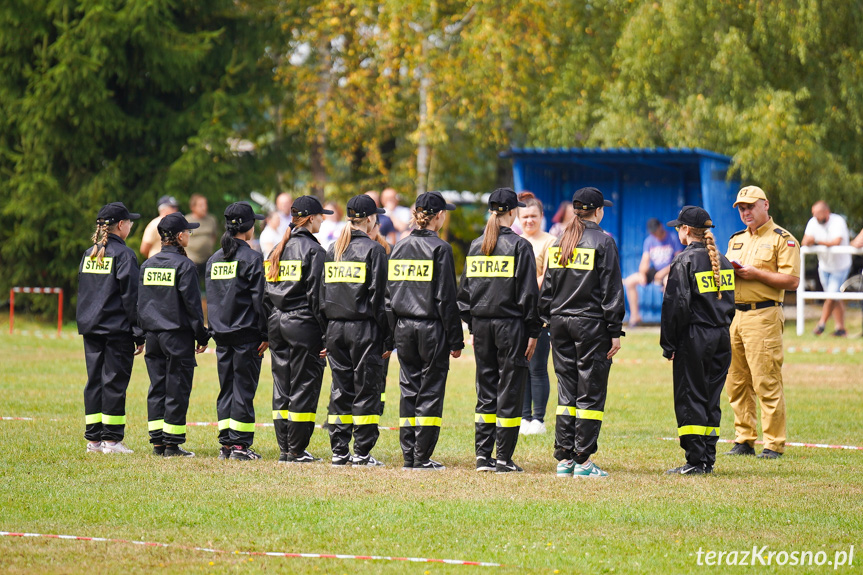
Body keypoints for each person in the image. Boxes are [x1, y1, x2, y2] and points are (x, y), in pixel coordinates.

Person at [539, 187, 624, 478]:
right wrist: (615, 330)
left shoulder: (560, 241)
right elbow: (611, 290)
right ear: (598, 211)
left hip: (559, 324)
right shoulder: (604, 242)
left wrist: (545, 320)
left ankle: (564, 459)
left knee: (567, 391)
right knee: (590, 392)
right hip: (590, 325)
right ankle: (584, 461)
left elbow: (547, 288)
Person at [457, 188, 540, 473]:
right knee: (510, 390)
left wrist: (471, 325)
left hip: (481, 326)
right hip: (510, 326)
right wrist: (533, 330)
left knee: (485, 389)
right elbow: (529, 294)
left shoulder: (476, 244)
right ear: (512, 212)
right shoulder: (520, 246)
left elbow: (464, 295)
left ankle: (483, 457)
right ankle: (503, 458)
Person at [386, 191, 464, 471]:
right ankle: (422, 456)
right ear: (439, 216)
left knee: (408, 390)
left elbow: (389, 295)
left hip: (404, 328)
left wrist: (390, 334)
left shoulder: (398, 247)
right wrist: (456, 340)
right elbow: (446, 298)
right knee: (430, 392)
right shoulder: (441, 249)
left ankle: (409, 454)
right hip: (431, 329)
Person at [724, 186, 800, 459]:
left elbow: (792, 281)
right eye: (741, 208)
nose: (746, 212)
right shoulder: (735, 240)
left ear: (765, 205)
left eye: (750, 206)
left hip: (764, 315)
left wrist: (756, 274)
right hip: (736, 315)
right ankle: (744, 439)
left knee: (766, 380)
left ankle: (773, 444)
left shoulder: (784, 240)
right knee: (737, 382)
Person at [660, 206, 736, 475]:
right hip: (721, 336)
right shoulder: (723, 260)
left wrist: (668, 344)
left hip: (694, 338)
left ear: (686, 230)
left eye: (678, 227)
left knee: (690, 396)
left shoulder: (684, 261)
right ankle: (707, 459)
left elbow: (675, 307)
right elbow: (731, 305)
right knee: (710, 398)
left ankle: (694, 461)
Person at [320, 194, 392, 467]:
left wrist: (326, 332)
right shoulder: (375, 251)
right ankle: (362, 452)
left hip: (336, 328)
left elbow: (321, 296)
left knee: (340, 389)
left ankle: (339, 451)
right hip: (364, 329)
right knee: (366, 389)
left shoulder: (332, 250)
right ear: (371, 220)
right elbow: (380, 300)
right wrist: (387, 337)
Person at [264, 196, 332, 463]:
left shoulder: (276, 250)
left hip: (277, 323)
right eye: (321, 216)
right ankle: (296, 449)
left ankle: (285, 447)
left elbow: (264, 295)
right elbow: (319, 298)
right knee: (304, 384)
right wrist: (326, 334)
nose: (324, 220)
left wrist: (264, 331)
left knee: (282, 385)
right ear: (311, 218)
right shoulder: (315, 251)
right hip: (303, 324)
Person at [138, 212, 210, 457]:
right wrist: (202, 335)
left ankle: (158, 441)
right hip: (177, 336)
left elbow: (141, 304)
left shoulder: (147, 265)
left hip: (153, 337)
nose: (190, 234)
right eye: (188, 231)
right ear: (180, 236)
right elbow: (192, 307)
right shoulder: (185, 266)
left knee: (157, 386)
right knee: (177, 386)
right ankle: (172, 444)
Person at [77, 202, 145, 454]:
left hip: (92, 327)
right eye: (129, 222)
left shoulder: (89, 254)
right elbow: (131, 297)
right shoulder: (124, 255)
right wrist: (138, 333)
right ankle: (112, 441)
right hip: (116, 330)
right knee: (114, 381)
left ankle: (94, 440)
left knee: (94, 380)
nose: (131, 225)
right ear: (120, 225)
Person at [205, 202, 269, 461]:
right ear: (249, 228)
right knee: (243, 389)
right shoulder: (252, 258)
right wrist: (265, 334)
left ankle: (227, 446)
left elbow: (213, 298)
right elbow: (260, 301)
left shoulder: (213, 260)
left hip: (221, 334)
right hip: (246, 335)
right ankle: (241, 446)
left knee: (227, 388)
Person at [517, 195, 556, 435]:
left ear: (541, 217)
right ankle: (524, 417)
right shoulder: (516, 241)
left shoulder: (551, 242)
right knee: (521, 366)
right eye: (525, 217)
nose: (529, 220)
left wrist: (523, 290)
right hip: (517, 314)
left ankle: (538, 419)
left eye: (533, 216)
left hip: (539, 313)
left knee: (538, 367)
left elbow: (548, 276)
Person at [802, 201, 852, 337]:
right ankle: (841, 329)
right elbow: (804, 241)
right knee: (834, 297)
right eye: (813, 214)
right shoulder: (812, 222)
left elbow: (837, 242)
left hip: (840, 266)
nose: (815, 217)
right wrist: (808, 241)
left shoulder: (838, 222)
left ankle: (821, 325)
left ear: (826, 212)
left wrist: (816, 241)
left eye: (817, 214)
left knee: (831, 296)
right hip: (824, 265)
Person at [624, 218, 683, 326]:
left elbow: (678, 260)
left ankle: (668, 319)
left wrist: (663, 272)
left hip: (669, 269)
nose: (655, 234)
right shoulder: (649, 241)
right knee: (630, 282)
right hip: (655, 271)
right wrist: (642, 273)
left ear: (661, 227)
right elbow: (645, 260)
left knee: (667, 282)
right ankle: (635, 316)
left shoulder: (673, 238)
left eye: (656, 231)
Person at [369, 215, 393, 416]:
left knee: (379, 373)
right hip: (361, 324)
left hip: (378, 322)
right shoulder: (343, 249)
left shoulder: (387, 251)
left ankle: (378, 408)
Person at [185, 194, 219, 281]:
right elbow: (183, 239)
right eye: (201, 205)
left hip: (207, 259)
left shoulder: (211, 220)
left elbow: (214, 236)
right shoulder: (187, 221)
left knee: (210, 282)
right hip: (191, 259)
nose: (204, 208)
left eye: (205, 204)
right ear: (193, 207)